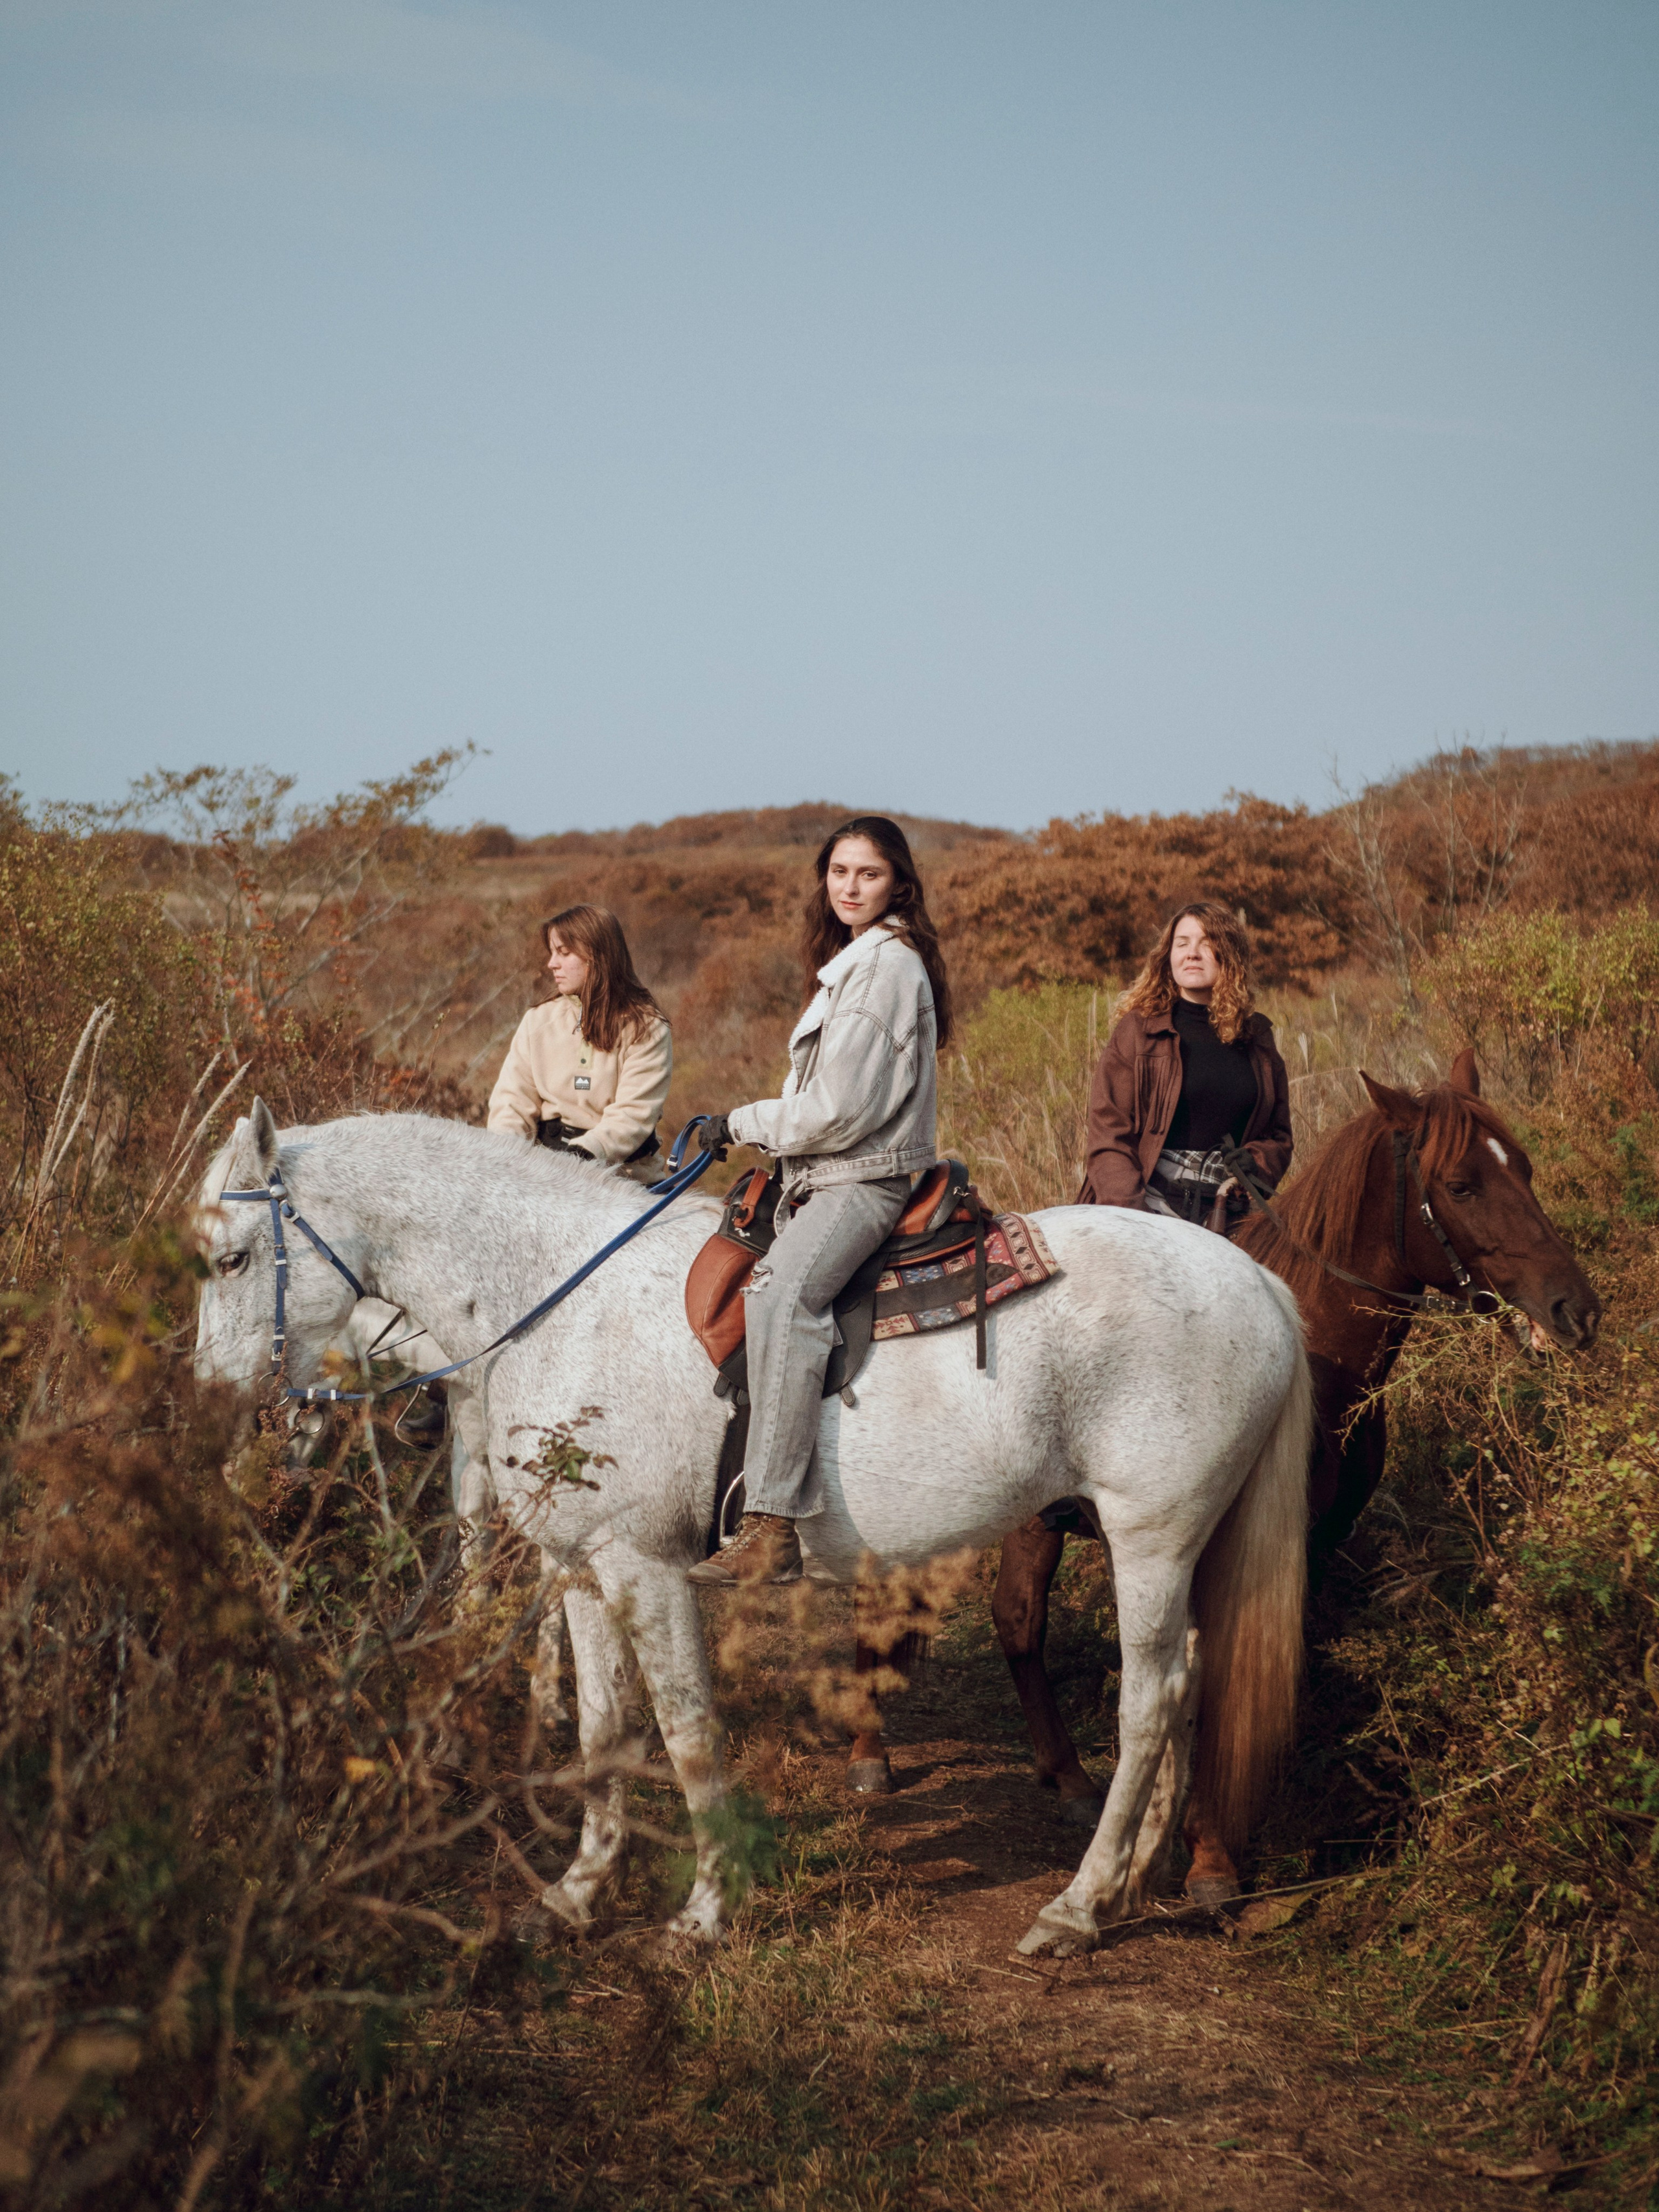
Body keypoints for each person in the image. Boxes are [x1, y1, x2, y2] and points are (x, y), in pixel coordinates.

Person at [686, 816, 952, 1589]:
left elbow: (837, 1110)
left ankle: (771, 1525)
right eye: (839, 872)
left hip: (861, 1179)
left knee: (780, 1295)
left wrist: (738, 1123)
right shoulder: (858, 961)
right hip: (825, 1173)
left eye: (868, 873)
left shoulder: (882, 969)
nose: (850, 886)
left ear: (898, 884)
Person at [1080, 901, 1292, 1229]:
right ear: (1169, 956)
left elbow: (1278, 1136)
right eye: (1182, 944)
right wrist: (1133, 1217)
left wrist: (1256, 1164)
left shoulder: (1257, 1037)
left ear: (1230, 956)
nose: (1192, 953)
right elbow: (1109, 1135)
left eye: (1206, 943)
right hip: (1146, 1201)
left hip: (1231, 1209)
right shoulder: (1138, 1031)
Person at [487, 905, 671, 1183]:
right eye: (552, 953)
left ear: (596, 956)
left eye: (563, 953)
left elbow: (633, 1115)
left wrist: (577, 1159)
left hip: (625, 1180)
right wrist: (504, 1160)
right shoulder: (538, 1020)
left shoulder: (647, 1028)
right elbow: (512, 1103)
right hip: (543, 1175)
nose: (552, 964)